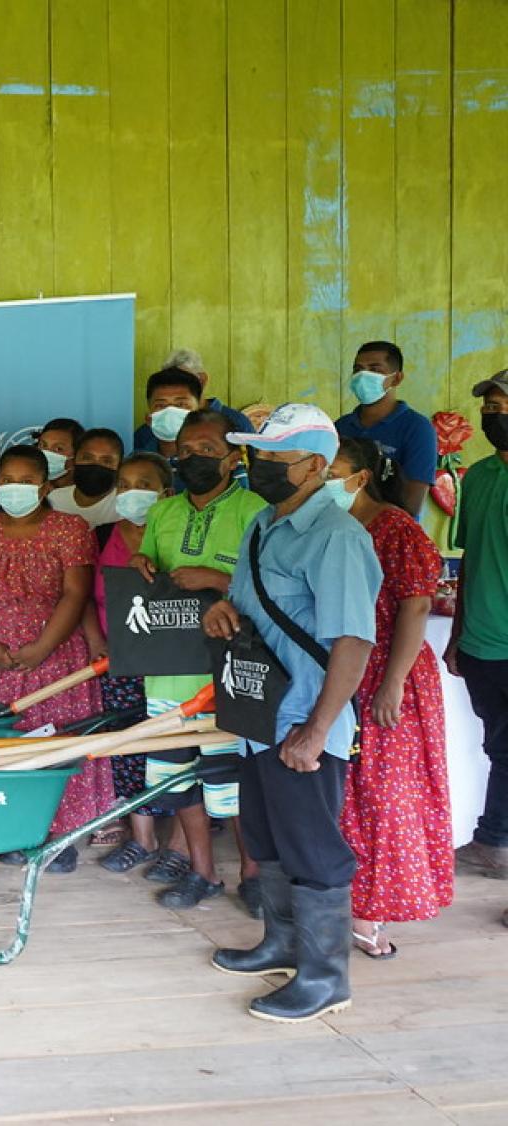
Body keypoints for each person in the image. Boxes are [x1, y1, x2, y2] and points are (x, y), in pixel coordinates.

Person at [205, 403, 380, 1024]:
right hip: (260, 715)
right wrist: (221, 613)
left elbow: (353, 641)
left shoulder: (336, 536)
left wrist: (317, 729)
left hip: (306, 718)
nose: (260, 468)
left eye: (274, 460)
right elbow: (246, 604)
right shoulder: (261, 524)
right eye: (257, 456)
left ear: (314, 465)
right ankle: (281, 945)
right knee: (266, 837)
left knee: (313, 847)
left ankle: (326, 978)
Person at [126, 411, 266, 909]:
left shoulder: (255, 510)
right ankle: (203, 872)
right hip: (168, 666)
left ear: (233, 459)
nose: (192, 459)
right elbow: (150, 575)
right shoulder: (162, 514)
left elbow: (270, 587)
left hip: (228, 669)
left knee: (230, 779)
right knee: (178, 777)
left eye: (207, 450)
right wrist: (141, 565)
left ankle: (253, 875)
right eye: (185, 450)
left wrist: (216, 579)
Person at [0, 445, 107, 873]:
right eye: (6, 481)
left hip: (57, 654)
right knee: (8, 745)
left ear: (43, 487)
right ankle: (12, 828)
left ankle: (60, 838)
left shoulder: (69, 528)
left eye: (25, 481)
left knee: (55, 744)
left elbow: (76, 593)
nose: (14, 489)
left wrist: (42, 647)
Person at [328, 438, 452, 958]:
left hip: (385, 671)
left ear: (361, 476)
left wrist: (393, 682)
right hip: (342, 669)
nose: (322, 481)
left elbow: (415, 607)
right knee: (346, 793)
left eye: (332, 471)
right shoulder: (329, 527)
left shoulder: (395, 527)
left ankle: (372, 912)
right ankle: (343, 901)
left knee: (386, 793)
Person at [86, 452, 179, 867]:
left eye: (143, 485)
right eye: (124, 485)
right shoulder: (103, 534)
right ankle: (142, 838)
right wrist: (95, 641)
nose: (131, 494)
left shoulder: (176, 533)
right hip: (118, 659)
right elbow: (85, 597)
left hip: (172, 663)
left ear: (167, 493)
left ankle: (179, 844)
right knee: (126, 743)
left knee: (172, 747)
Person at [447, 369, 508, 880]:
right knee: (499, 745)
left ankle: (494, 839)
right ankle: (494, 841)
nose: (495, 416)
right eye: (490, 407)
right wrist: (456, 635)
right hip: (483, 642)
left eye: (503, 406)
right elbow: (467, 559)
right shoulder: (481, 476)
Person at [335, 340, 438, 516]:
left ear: (396, 378)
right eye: (358, 369)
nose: (363, 376)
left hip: (390, 535)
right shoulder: (340, 426)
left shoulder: (417, 428)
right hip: (342, 530)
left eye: (374, 370)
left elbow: (412, 505)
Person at [133, 350, 252, 452]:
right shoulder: (146, 435)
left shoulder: (236, 423)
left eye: (180, 404)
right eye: (161, 405)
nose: (171, 411)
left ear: (202, 380)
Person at [49, 428, 123, 526]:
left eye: (106, 461)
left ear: (120, 466)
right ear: (73, 460)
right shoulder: (53, 500)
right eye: (87, 458)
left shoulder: (126, 505)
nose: (96, 465)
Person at [36, 417, 84, 491]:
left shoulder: (85, 493)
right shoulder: (30, 490)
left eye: (58, 449)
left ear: (77, 455)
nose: (47, 452)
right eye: (43, 445)